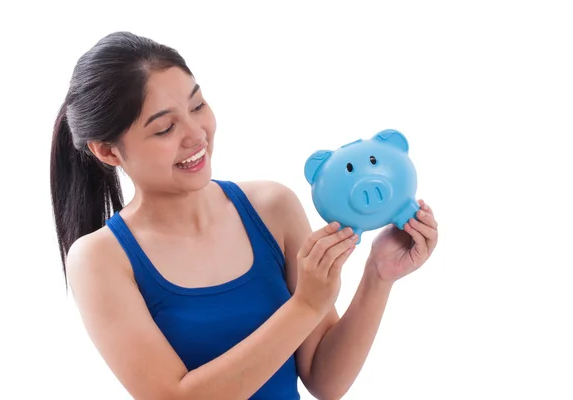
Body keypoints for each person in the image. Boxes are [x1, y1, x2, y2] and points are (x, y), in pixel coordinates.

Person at [50, 31, 439, 400]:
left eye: (197, 106)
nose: (196, 134)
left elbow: (326, 380)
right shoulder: (100, 259)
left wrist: (378, 275)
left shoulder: (272, 208)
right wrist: (304, 305)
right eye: (166, 128)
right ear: (108, 151)